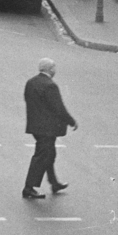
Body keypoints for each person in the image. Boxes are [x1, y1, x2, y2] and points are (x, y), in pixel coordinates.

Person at [23, 58, 77, 199]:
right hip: (47, 128)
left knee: (49, 154)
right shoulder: (50, 86)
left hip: (35, 126)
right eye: (54, 68)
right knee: (42, 156)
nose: (55, 70)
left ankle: (54, 183)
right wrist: (71, 121)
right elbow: (58, 107)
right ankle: (29, 187)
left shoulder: (31, 82)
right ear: (50, 69)